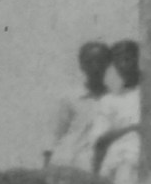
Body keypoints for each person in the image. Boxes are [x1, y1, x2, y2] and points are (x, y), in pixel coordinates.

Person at [45, 42, 113, 171]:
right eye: (89, 62)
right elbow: (55, 136)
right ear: (82, 65)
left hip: (96, 167)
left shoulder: (115, 100)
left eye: (100, 61)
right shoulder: (70, 98)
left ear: (108, 63)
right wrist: (45, 171)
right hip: (65, 164)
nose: (95, 67)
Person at [93, 40, 141, 184]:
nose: (123, 65)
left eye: (128, 59)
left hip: (142, 164)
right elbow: (100, 140)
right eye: (118, 61)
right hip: (117, 166)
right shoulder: (108, 100)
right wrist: (132, 128)